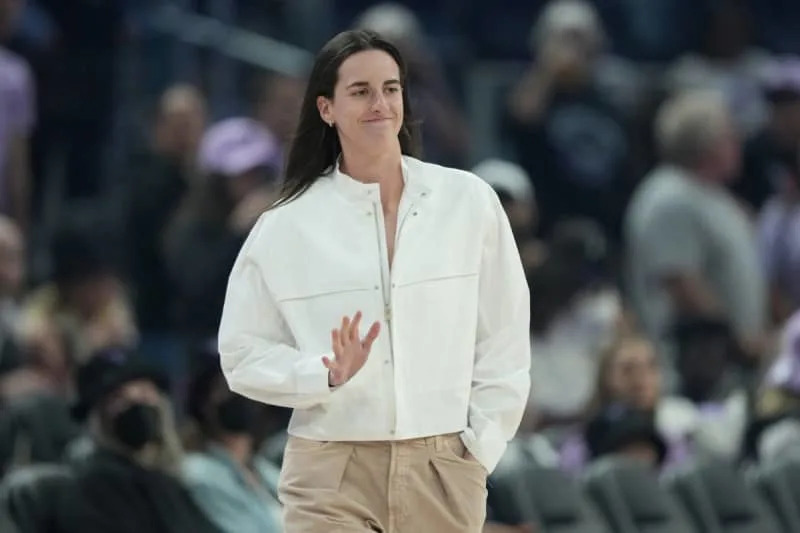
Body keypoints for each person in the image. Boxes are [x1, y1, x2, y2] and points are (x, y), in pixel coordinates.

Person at [217, 29, 531, 532]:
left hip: (443, 465)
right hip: (330, 467)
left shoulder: (468, 201)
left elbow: (505, 336)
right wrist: (324, 372)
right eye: (360, 91)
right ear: (326, 108)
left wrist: (480, 445)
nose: (380, 103)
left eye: (391, 88)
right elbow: (240, 353)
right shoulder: (287, 224)